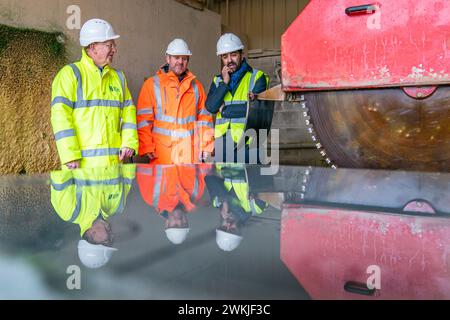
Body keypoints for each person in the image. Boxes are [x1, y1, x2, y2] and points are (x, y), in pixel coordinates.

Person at [51, 19, 138, 169]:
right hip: (81, 168)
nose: (114, 49)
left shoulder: (119, 78)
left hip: (113, 167)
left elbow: (128, 113)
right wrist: (70, 155)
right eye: (109, 45)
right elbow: (60, 117)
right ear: (92, 47)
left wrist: (129, 142)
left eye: (113, 45)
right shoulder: (70, 74)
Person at [136, 39, 214, 165]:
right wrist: (146, 146)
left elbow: (205, 119)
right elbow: (144, 119)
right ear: (168, 58)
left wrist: (207, 146)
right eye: (176, 57)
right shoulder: (152, 84)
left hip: (190, 156)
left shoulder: (196, 86)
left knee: (190, 185)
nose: (180, 62)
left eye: (184, 58)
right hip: (162, 155)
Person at [50, 165, 136, 268]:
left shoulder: (69, 212)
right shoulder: (117, 206)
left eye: (107, 240)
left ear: (92, 235)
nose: (112, 235)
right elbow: (129, 168)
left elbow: (59, 168)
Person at [205, 33, 269, 163]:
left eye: (233, 54)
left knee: (249, 182)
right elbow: (211, 107)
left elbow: (256, 111)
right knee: (226, 182)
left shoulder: (257, 78)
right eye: (225, 56)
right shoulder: (218, 81)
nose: (229, 60)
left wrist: (224, 111)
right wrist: (225, 83)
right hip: (223, 144)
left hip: (249, 143)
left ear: (241, 54)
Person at [137, 164, 211, 244]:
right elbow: (205, 164)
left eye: (175, 225)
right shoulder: (196, 194)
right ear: (187, 221)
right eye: (183, 224)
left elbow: (144, 163)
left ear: (167, 223)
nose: (179, 221)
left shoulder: (150, 197)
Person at [205, 164, 269, 252]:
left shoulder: (217, 202)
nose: (228, 224)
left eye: (224, 228)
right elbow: (261, 171)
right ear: (240, 230)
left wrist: (224, 200)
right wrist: (225, 173)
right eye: (232, 230)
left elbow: (209, 176)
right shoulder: (256, 206)